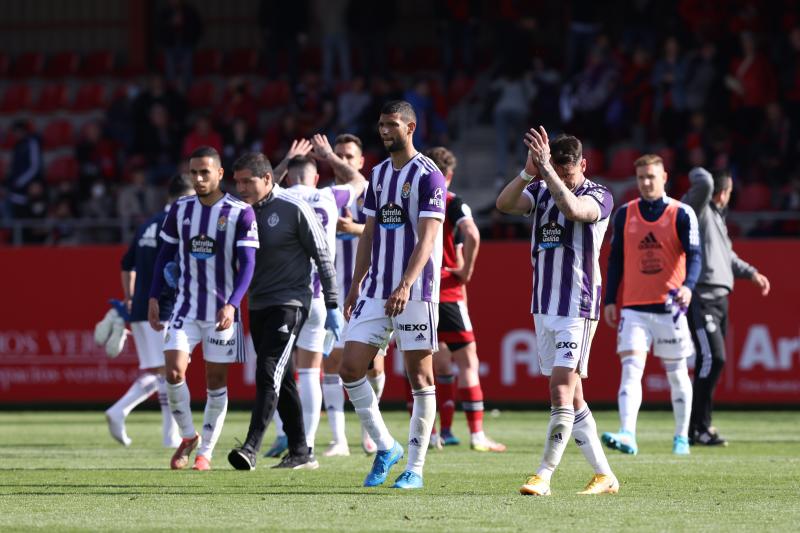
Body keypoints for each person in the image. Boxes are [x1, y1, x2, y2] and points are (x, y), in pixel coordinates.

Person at [496, 128, 618, 496]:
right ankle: (604, 475)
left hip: (577, 305)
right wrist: (527, 172)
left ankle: (543, 475)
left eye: (568, 173)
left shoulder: (599, 195)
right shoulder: (540, 189)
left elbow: (574, 209)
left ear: (583, 164)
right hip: (543, 304)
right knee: (574, 396)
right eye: (557, 173)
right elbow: (504, 205)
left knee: (560, 390)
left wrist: (548, 172)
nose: (562, 179)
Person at [339, 100, 446, 490]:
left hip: (415, 291)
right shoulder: (378, 174)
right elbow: (369, 233)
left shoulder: (430, 176)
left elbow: (429, 236)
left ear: (411, 127)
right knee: (349, 368)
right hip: (374, 288)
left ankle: (415, 468)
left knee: (420, 376)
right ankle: (386, 447)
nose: (384, 131)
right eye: (381, 125)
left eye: (392, 125)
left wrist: (405, 284)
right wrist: (355, 284)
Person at [226, 152, 341, 471]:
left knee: (268, 370)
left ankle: (250, 447)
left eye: (248, 181)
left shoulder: (294, 208)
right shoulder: (240, 213)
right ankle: (302, 452)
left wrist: (332, 303)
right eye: (237, 182)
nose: (242, 188)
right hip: (259, 303)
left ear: (267, 179)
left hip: (291, 302)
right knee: (284, 377)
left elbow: (322, 254)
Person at [147, 146, 258, 471]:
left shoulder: (240, 212)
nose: (198, 178)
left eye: (204, 172)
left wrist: (233, 304)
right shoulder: (180, 209)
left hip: (223, 311)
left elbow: (248, 264)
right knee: (173, 371)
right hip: (185, 308)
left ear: (220, 174)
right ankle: (187, 435)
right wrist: (155, 295)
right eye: (193, 173)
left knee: (215, 380)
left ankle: (205, 451)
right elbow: (164, 255)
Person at [601, 154, 701, 457]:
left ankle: (681, 438)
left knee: (677, 374)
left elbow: (695, 256)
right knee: (630, 372)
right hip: (633, 308)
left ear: (664, 177)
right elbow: (615, 259)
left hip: (670, 308)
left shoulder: (682, 213)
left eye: (651, 177)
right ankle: (628, 434)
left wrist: (688, 287)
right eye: (641, 177)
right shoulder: (624, 214)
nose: (645, 182)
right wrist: (609, 299)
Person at [265, 154, 363, 458]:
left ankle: (284, 434)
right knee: (310, 373)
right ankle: (304, 442)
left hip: (285, 298)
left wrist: (280, 165)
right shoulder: (329, 196)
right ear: (316, 177)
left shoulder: (279, 194)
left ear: (288, 177)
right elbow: (360, 181)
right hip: (320, 299)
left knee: (277, 369)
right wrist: (330, 156)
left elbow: (260, 186)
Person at [424, 146, 505, 453]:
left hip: (419, 292)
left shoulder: (413, 201)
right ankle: (477, 435)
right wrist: (466, 271)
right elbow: (472, 234)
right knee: (467, 362)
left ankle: (430, 434)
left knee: (424, 366)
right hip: (447, 289)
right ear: (450, 174)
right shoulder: (451, 201)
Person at [682, 167, 770, 445]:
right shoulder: (700, 211)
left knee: (713, 362)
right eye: (729, 191)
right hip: (703, 297)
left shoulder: (718, 220)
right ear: (722, 192)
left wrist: (752, 272)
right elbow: (701, 185)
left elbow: (727, 256)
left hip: (720, 299)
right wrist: (701, 172)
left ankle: (698, 427)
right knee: (713, 359)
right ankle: (697, 427)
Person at [105, 174, 194, 449]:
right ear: (183, 198)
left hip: (141, 306)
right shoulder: (177, 223)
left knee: (159, 371)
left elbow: (125, 263)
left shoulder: (147, 225)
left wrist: (130, 298)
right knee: (170, 372)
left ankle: (169, 433)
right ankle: (124, 411)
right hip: (164, 306)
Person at [312, 133, 387, 458]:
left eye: (347, 155)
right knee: (332, 363)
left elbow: (388, 231)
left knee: (373, 366)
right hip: (332, 292)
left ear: (359, 162)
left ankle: (369, 431)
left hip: (369, 291)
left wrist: (355, 229)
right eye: (336, 154)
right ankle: (338, 440)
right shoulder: (325, 197)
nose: (339, 159)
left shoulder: (372, 194)